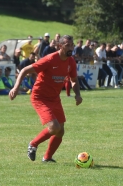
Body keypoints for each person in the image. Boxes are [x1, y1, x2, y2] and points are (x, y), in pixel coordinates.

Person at [9, 35, 82, 163]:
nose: (71, 47)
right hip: (40, 97)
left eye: (72, 45)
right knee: (55, 127)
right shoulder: (50, 59)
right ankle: (33, 144)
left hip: (54, 98)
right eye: (68, 45)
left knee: (60, 131)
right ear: (60, 46)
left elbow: (74, 80)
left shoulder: (71, 61)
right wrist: (15, 88)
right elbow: (25, 70)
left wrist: (77, 94)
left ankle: (47, 158)